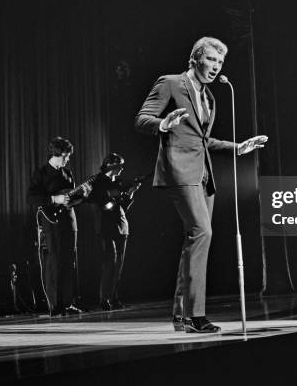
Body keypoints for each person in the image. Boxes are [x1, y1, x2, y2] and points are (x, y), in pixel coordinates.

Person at [135, 36, 267, 333]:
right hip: (179, 170)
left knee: (195, 239)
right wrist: (162, 124)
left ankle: (182, 315)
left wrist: (238, 147)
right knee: (202, 231)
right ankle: (196, 315)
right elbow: (142, 118)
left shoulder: (210, 97)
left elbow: (204, 141)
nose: (216, 67)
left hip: (203, 175)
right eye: (211, 60)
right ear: (195, 58)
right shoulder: (170, 83)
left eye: (220, 63)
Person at [27, 137, 86, 316]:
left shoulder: (67, 173)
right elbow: (31, 198)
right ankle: (55, 305)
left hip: (69, 220)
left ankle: (68, 303)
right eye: (66, 156)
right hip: (51, 222)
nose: (68, 159)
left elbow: (73, 199)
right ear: (57, 154)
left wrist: (82, 195)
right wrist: (54, 199)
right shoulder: (41, 173)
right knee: (54, 262)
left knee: (70, 262)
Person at [85, 152, 139, 311]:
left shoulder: (117, 182)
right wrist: (115, 193)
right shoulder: (99, 181)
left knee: (118, 265)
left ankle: (113, 298)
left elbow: (123, 207)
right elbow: (97, 200)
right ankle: (105, 299)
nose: (122, 169)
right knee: (110, 263)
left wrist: (131, 192)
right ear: (111, 165)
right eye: (119, 165)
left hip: (121, 226)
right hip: (106, 226)